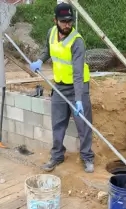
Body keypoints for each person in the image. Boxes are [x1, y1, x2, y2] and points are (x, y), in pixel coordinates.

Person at [30, 2, 94, 173]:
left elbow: (78, 74)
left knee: (83, 125)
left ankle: (87, 157)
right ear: (55, 20)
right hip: (59, 87)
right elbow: (48, 50)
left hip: (78, 87)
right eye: (63, 21)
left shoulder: (77, 41)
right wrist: (40, 61)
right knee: (58, 123)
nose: (67, 25)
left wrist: (79, 99)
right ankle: (57, 156)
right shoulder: (51, 32)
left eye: (70, 21)